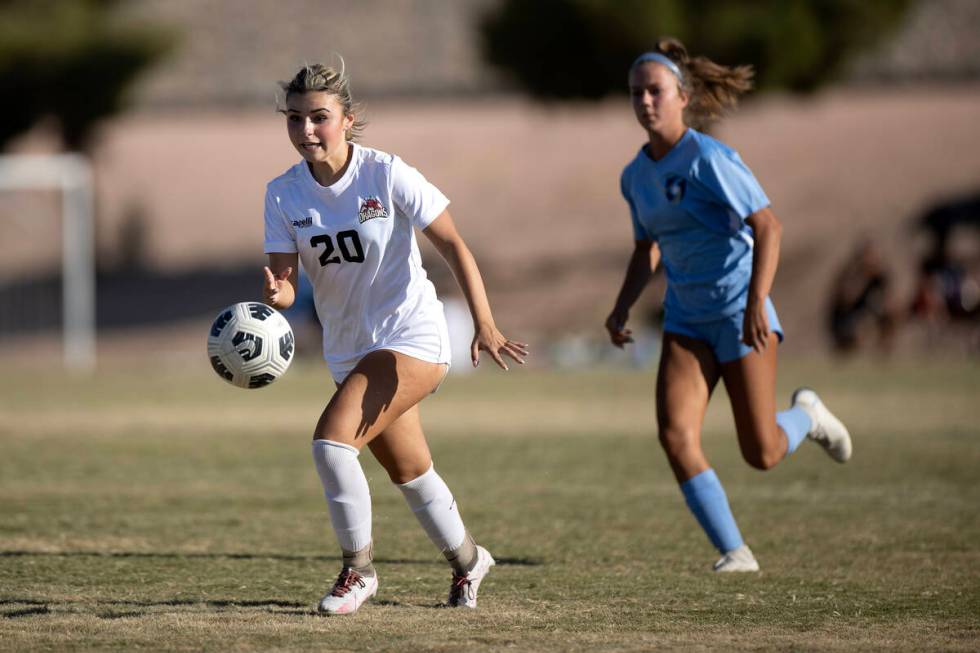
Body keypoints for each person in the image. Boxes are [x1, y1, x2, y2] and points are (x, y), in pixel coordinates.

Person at [262, 61, 527, 613]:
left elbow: (454, 245)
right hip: (349, 349)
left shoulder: (385, 174)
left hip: (414, 335)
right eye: (295, 119)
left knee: (331, 446)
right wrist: (277, 298)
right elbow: (285, 285)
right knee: (410, 471)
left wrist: (485, 321)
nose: (306, 130)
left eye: (319, 118)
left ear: (347, 119)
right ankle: (470, 561)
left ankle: (357, 573)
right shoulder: (283, 194)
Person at [605, 38, 852, 572]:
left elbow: (769, 226)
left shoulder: (710, 159)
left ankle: (806, 417)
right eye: (636, 93)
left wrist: (756, 301)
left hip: (741, 311)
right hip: (686, 319)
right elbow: (646, 247)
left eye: (655, 91)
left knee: (761, 452)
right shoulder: (634, 176)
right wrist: (621, 307)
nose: (645, 101)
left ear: (682, 96)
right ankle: (734, 552)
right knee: (675, 435)